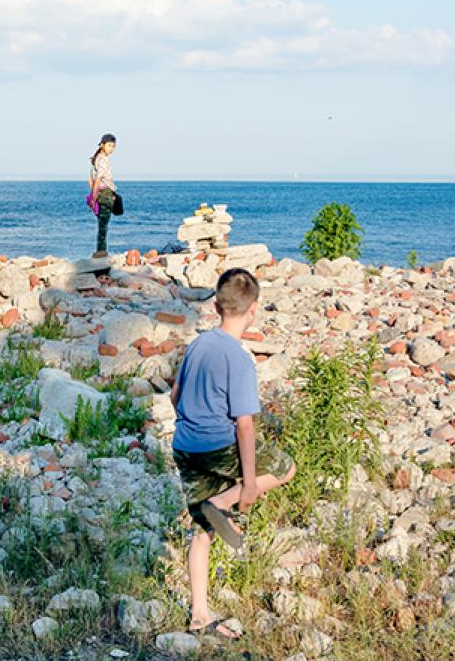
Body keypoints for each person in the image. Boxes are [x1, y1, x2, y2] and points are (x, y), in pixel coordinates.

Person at [170, 268, 296, 639]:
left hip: (185, 445)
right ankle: (223, 503)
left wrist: (188, 419)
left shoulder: (198, 345)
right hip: (217, 445)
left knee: (202, 529)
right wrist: (250, 484)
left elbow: (175, 394)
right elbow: (244, 425)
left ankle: (199, 614)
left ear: (216, 306)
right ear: (253, 309)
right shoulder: (239, 360)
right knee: (285, 467)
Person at [88, 134, 120, 258]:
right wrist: (94, 197)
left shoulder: (98, 159)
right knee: (103, 227)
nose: (111, 148)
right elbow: (97, 179)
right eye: (109, 145)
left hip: (105, 193)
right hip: (104, 194)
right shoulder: (102, 160)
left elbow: (90, 180)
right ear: (102, 145)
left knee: (102, 226)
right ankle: (101, 254)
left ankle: (100, 252)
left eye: (113, 146)